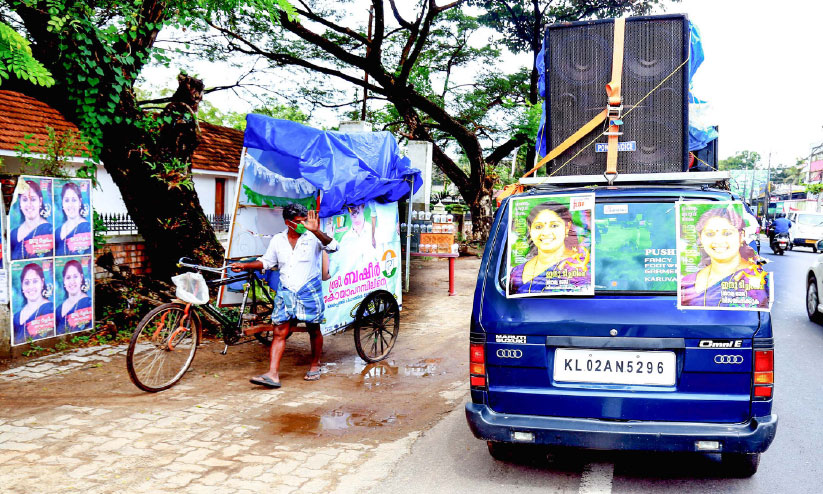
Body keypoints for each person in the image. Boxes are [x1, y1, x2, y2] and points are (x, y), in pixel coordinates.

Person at [231, 203, 338, 388]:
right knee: (279, 331)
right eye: (299, 221)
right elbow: (266, 262)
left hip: (309, 289)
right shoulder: (278, 240)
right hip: (286, 290)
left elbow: (334, 247)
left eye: (305, 220)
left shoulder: (313, 238)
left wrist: (316, 231)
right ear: (288, 222)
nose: (303, 224)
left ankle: (315, 365)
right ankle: (272, 374)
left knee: (313, 328)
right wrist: (245, 265)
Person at [680, 207, 769, 308]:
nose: (718, 241)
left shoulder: (756, 279)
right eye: (710, 234)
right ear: (700, 238)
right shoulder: (689, 281)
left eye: (727, 233)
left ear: (741, 236)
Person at [509, 201, 591, 294]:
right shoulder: (517, 271)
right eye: (539, 226)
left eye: (554, 226)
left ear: (567, 227)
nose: (546, 232)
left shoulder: (578, 266)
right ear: (530, 229)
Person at [10, 180, 53, 260]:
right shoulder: (13, 234)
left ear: (40, 201)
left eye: (33, 199)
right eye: (25, 200)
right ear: (20, 202)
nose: (29, 204)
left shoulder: (49, 230)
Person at [13, 263, 54, 345]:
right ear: (22, 285)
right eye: (27, 283)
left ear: (42, 283)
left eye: (35, 281)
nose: (30, 287)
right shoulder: (16, 316)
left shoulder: (49, 309)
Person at [56, 260, 92, 335]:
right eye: (68, 277)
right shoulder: (58, 309)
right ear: (64, 281)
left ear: (81, 278)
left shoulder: (88, 303)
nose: (72, 281)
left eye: (75, 276)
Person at [56, 182, 92, 256]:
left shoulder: (86, 228)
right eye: (66, 200)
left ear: (80, 202)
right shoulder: (57, 231)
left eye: (74, 200)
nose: (70, 205)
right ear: (62, 203)